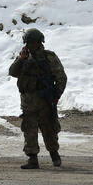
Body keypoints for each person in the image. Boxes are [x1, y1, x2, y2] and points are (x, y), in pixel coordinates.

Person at [9, 28, 67, 169]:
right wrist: (21, 59)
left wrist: (56, 96)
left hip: (44, 102)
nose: (31, 45)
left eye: (34, 43)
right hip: (28, 102)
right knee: (29, 130)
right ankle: (32, 159)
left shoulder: (49, 57)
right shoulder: (24, 58)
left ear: (40, 43)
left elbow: (61, 78)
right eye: (29, 43)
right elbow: (12, 72)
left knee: (49, 129)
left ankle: (55, 155)